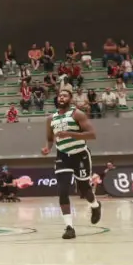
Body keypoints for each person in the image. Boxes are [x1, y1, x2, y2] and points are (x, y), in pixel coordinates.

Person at [42, 88, 102, 239]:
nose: (61, 97)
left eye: (65, 95)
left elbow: (92, 134)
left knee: (84, 190)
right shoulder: (51, 118)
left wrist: (69, 134)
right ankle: (69, 227)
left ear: (70, 99)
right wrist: (48, 149)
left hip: (80, 154)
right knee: (62, 190)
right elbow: (50, 138)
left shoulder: (77, 114)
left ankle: (95, 205)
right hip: (63, 155)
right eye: (60, 95)